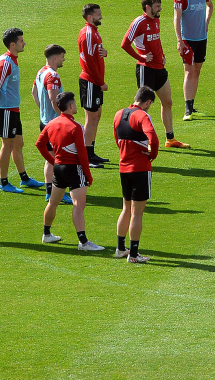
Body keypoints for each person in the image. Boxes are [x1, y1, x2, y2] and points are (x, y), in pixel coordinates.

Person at [35, 92, 104, 251]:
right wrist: (88, 175)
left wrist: (52, 160)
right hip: (74, 169)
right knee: (79, 205)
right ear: (71, 106)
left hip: (58, 168)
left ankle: (46, 234)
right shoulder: (76, 127)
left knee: (53, 202)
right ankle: (83, 243)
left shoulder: (51, 124)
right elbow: (82, 154)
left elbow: (39, 144)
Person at [121, 0, 189, 149]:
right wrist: (141, 57)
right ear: (148, 7)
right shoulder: (139, 22)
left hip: (159, 68)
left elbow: (156, 40)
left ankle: (170, 139)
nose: (160, 9)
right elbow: (125, 44)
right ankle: (143, 141)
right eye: (157, 6)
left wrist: (162, 55)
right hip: (146, 69)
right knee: (143, 106)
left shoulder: (156, 20)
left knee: (168, 102)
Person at [0, 28, 43, 194]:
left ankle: (24, 178)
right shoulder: (5, 63)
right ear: (13, 44)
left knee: (18, 144)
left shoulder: (12, 60)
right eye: (21, 41)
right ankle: (3, 182)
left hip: (13, 109)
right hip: (5, 109)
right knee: (7, 145)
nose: (24, 43)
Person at [114, 86, 159, 263]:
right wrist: (152, 154)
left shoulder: (119, 114)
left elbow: (117, 138)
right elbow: (153, 138)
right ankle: (133, 254)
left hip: (123, 167)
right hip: (140, 168)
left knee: (126, 208)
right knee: (137, 213)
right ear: (148, 102)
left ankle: (120, 248)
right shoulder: (142, 115)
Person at [172, 0, 213, 121]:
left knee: (197, 71)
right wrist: (179, 40)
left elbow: (210, 5)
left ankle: (192, 105)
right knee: (189, 72)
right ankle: (187, 110)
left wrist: (206, 21)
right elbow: (177, 18)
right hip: (187, 39)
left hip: (201, 38)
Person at [32, 44, 71, 205]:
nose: (64, 59)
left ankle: (50, 191)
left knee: (50, 158)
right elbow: (54, 99)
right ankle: (59, 193)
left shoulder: (41, 72)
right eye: (62, 56)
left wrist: (43, 111)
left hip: (44, 122)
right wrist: (63, 117)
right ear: (54, 58)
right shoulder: (53, 76)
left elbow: (34, 92)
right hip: (55, 124)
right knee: (60, 159)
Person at [78, 4, 110, 168]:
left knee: (96, 116)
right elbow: (89, 61)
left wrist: (105, 52)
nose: (101, 17)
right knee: (91, 119)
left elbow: (95, 54)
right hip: (91, 81)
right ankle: (86, 157)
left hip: (94, 81)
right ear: (90, 17)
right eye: (98, 14)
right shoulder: (88, 33)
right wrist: (100, 82)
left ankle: (91, 152)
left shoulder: (93, 32)